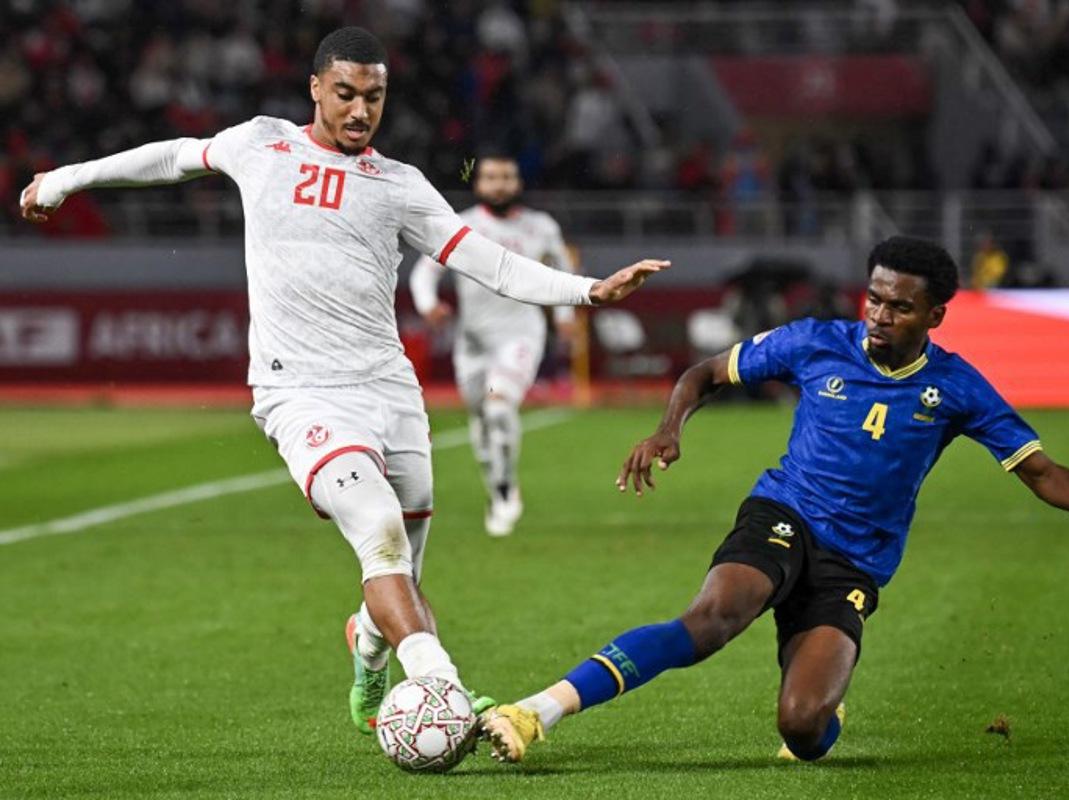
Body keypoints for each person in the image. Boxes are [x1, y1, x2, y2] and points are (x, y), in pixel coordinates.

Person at [18, 27, 667, 740]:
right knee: (380, 532)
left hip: (390, 391)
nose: (361, 111)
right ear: (317, 89)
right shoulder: (262, 143)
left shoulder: (399, 185)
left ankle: (368, 652)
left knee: (402, 573)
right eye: (348, 94)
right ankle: (442, 691)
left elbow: (491, 262)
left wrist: (590, 292)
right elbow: (173, 158)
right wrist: (64, 177)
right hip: (299, 391)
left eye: (375, 97)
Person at [480, 235, 1069, 764]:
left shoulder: (960, 388)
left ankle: (817, 699)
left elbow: (1038, 471)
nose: (879, 314)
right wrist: (669, 429)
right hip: (784, 512)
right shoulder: (816, 341)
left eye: (899, 306)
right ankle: (537, 711)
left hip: (856, 562)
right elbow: (704, 373)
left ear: (935, 314)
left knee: (803, 728)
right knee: (714, 617)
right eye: (874, 298)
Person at [408, 154, 575, 536]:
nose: (499, 184)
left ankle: (504, 491)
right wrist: (429, 305)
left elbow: (563, 271)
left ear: (517, 182)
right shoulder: (462, 226)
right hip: (472, 343)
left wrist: (565, 319)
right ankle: (497, 481)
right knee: (481, 421)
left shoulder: (541, 227)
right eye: (491, 177)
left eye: (506, 176)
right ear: (478, 183)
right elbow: (424, 273)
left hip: (521, 335)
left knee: (499, 408)